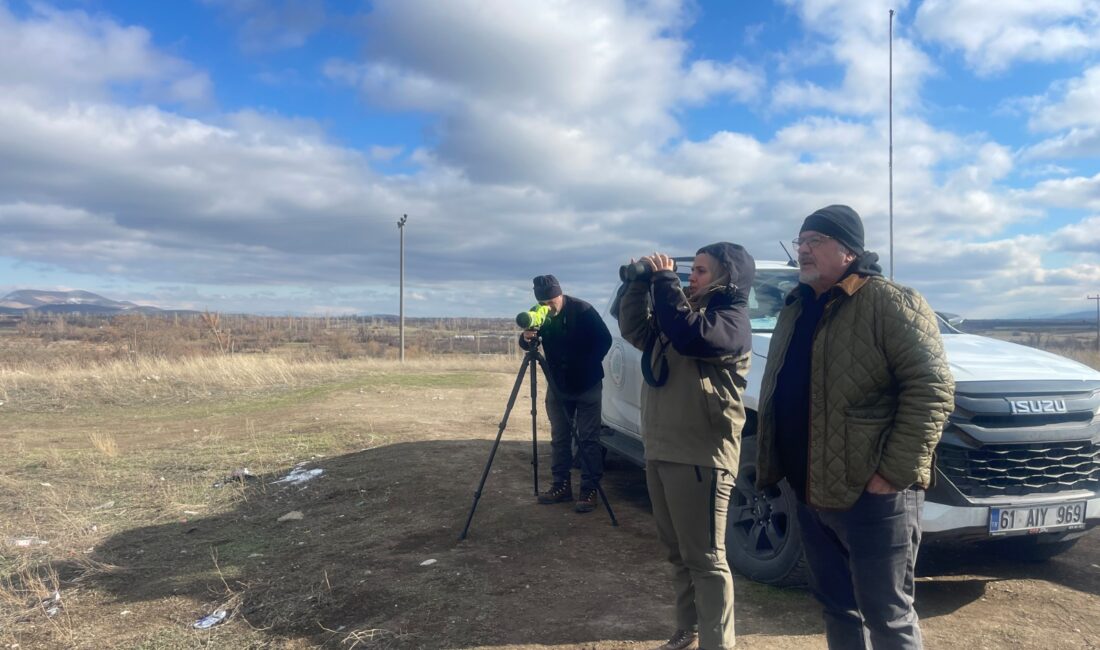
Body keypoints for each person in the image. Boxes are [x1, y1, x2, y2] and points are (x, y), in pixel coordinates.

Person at [755, 205, 955, 650]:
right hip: (809, 487)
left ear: (848, 250)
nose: (802, 250)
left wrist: (894, 474)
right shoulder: (796, 305)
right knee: (836, 604)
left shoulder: (889, 301)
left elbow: (932, 388)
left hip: (872, 495)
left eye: (814, 242)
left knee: (887, 613)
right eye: (800, 241)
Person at [618, 243, 755, 650]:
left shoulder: (730, 322)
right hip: (662, 447)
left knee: (707, 560)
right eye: (688, 270)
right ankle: (687, 629)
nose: (690, 277)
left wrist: (665, 282)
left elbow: (691, 337)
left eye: (700, 271)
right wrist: (639, 287)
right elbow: (634, 330)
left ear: (726, 277)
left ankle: (717, 643)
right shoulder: (680, 318)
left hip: (701, 455)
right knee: (677, 552)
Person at [519, 274, 612, 513]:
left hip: (588, 385)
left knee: (588, 439)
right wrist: (525, 338)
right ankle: (561, 486)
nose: (548, 307)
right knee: (559, 438)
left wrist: (586, 363)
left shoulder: (583, 310)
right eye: (544, 303)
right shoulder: (539, 313)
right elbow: (529, 343)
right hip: (558, 386)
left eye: (552, 301)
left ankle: (589, 490)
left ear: (560, 294)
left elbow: (605, 340)